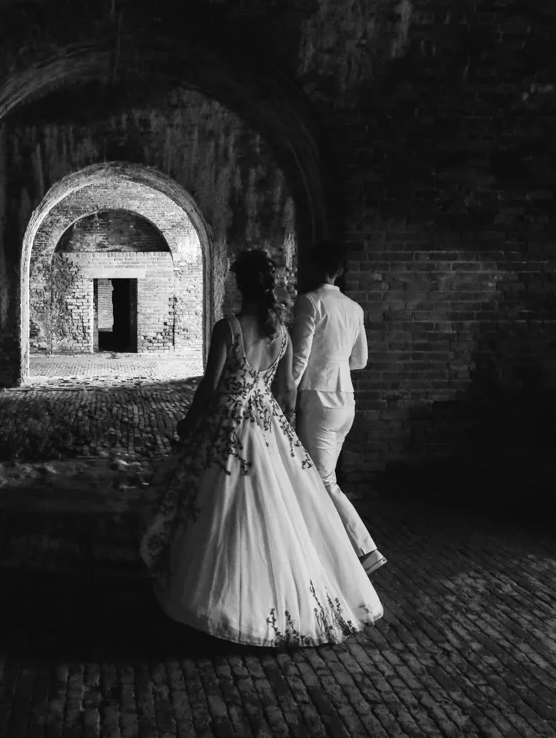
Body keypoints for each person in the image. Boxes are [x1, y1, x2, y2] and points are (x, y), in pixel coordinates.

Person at [139, 249, 383, 648]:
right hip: (266, 420)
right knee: (274, 507)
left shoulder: (228, 328)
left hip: (228, 421)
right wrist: (279, 426)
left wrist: (189, 421)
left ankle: (220, 597)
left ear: (239, 285)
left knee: (220, 504)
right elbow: (286, 390)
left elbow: (210, 386)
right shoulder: (281, 333)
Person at [290, 241, 387, 575]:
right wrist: (336, 356)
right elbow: (359, 361)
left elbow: (300, 356)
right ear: (341, 271)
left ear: (315, 267)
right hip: (346, 401)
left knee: (323, 480)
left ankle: (365, 550)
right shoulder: (354, 308)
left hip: (318, 398)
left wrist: (286, 392)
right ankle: (323, 546)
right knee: (320, 478)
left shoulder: (310, 302)